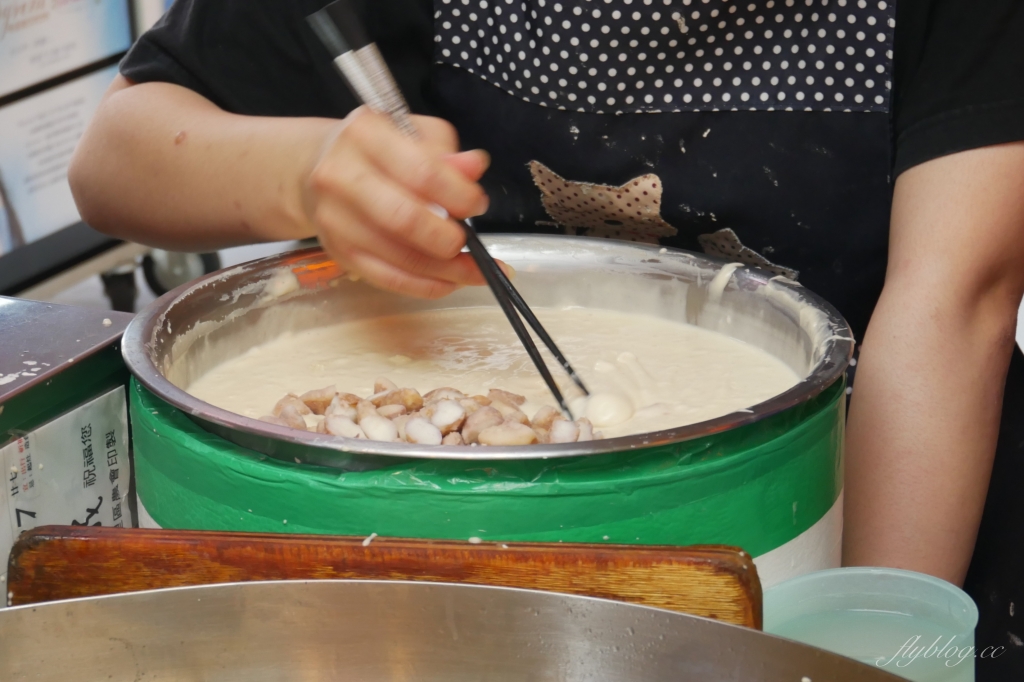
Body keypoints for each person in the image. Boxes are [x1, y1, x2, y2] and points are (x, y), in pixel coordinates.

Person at [69, 0, 1024, 676]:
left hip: (875, 495)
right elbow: (116, 157)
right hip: (418, 553)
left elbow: (955, 301)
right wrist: (304, 173)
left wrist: (864, 635)